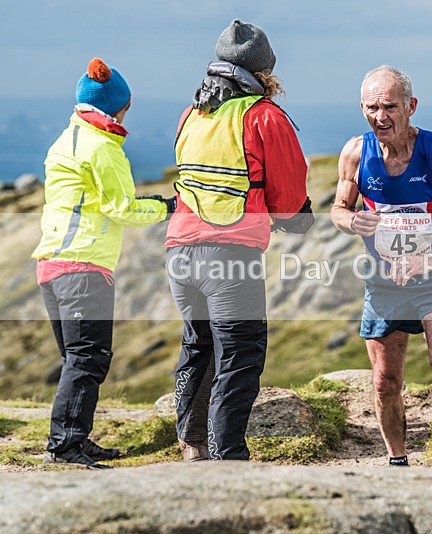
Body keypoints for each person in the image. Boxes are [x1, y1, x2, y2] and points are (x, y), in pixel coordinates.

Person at [166, 19, 313, 461]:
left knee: (199, 346)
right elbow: (289, 201)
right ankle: (227, 457)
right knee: (240, 354)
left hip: (179, 253)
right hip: (229, 259)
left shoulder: (193, 114)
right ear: (264, 72)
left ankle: (192, 446)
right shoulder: (263, 116)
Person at [331, 66, 432, 468]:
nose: (380, 116)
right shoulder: (356, 152)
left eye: (389, 107)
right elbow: (338, 208)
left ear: (410, 107)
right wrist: (352, 221)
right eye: (372, 107)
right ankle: (397, 459)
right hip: (384, 282)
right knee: (385, 379)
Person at [33, 58, 175, 468]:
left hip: (52, 263)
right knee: (88, 357)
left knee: (76, 357)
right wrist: (167, 207)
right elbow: (123, 209)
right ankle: (65, 445)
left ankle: (74, 436)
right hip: (83, 266)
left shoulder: (68, 138)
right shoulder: (103, 147)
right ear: (119, 107)